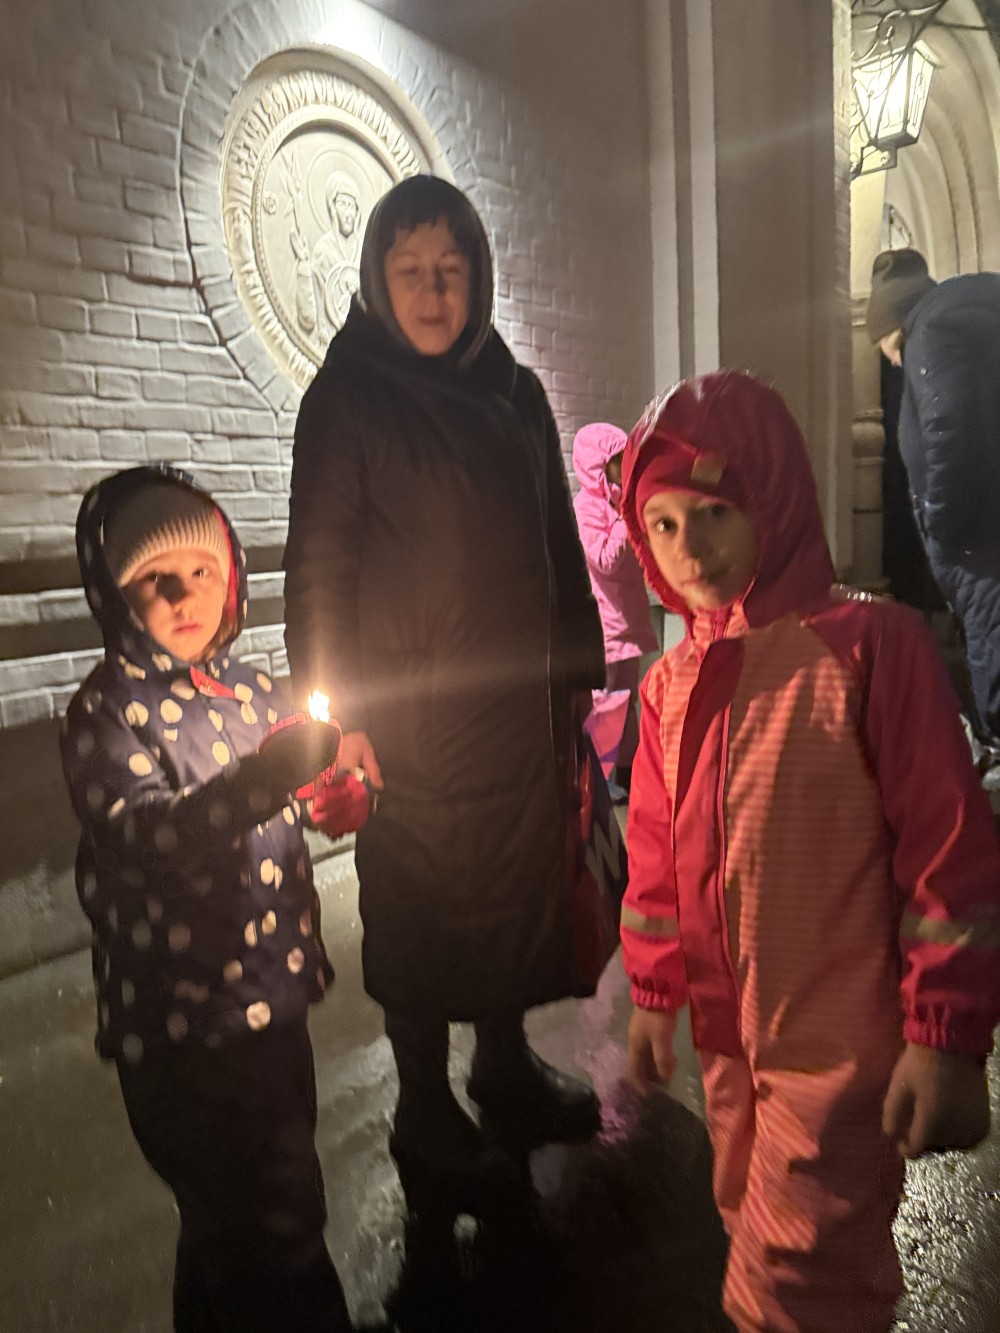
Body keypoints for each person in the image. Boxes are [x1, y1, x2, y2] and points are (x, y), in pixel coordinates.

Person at [618, 370, 1000, 1333]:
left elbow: (948, 848)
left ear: (775, 498)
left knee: (793, 1286)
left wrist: (945, 1033)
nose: (689, 546)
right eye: (663, 524)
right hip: (728, 1048)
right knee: (751, 1221)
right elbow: (654, 855)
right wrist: (656, 990)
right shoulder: (668, 686)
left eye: (714, 512)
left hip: (841, 1053)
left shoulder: (868, 648)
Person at [283, 174, 607, 1221]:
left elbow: (557, 537)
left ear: (479, 279)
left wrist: (576, 669)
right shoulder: (348, 395)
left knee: (509, 896)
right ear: (376, 279)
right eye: (410, 270)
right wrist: (336, 719)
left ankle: (503, 1067)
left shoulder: (514, 390)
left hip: (515, 712)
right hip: (408, 724)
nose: (432, 292)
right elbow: (319, 564)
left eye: (451, 270)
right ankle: (422, 1110)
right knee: (421, 909)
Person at [60, 465, 359, 1333]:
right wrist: (267, 778)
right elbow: (149, 834)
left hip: (270, 1000)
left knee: (231, 1223)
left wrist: (334, 795)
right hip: (183, 1027)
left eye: (201, 570)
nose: (182, 594)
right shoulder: (108, 713)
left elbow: (293, 794)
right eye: (152, 578)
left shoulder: (252, 692)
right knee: (279, 1217)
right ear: (114, 595)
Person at [866, 247, 1000, 769]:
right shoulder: (971, 315)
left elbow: (950, 430)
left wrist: (942, 523)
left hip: (983, 546)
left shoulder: (933, 333)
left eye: (884, 346)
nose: (890, 360)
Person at [571, 422, 658, 800]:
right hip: (606, 623)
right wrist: (625, 519)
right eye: (618, 460)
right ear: (598, 465)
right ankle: (600, 780)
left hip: (628, 618)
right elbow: (605, 559)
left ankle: (627, 771)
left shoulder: (619, 502)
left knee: (626, 701)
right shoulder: (587, 507)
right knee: (605, 702)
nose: (625, 467)